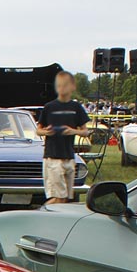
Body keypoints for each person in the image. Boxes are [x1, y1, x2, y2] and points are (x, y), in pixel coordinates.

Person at [37, 71, 90, 205]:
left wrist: (73, 131)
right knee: (58, 197)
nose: (62, 88)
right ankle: (39, 214)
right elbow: (38, 130)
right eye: (59, 85)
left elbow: (85, 132)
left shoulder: (76, 108)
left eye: (65, 85)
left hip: (69, 156)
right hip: (52, 157)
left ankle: (50, 216)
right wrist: (46, 132)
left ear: (73, 87)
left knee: (65, 197)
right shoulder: (49, 107)